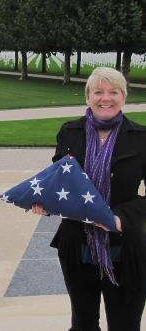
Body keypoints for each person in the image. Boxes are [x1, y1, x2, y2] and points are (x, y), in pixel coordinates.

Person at [32, 67, 146, 331]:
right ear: (88, 97)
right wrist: (45, 204)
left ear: (123, 97)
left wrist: (121, 217)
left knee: (125, 324)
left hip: (125, 245)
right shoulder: (70, 133)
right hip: (77, 244)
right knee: (83, 323)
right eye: (98, 92)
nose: (105, 98)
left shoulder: (141, 139)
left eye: (113, 92)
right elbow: (58, 180)